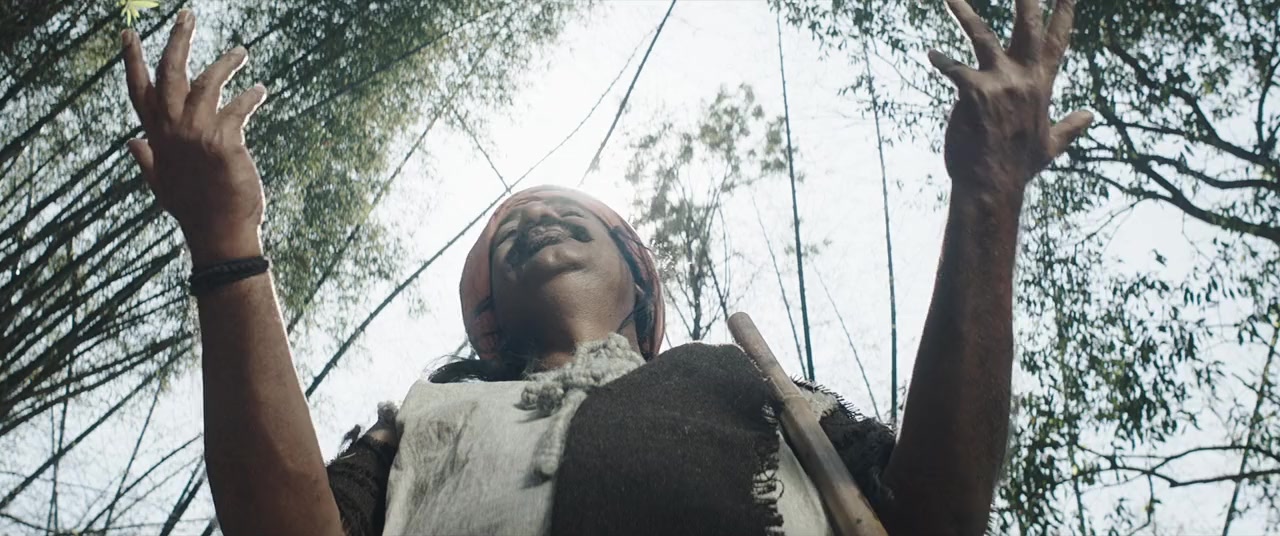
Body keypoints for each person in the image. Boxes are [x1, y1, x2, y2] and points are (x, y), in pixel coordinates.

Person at [120, 0, 1093, 533]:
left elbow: (935, 514)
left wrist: (987, 198)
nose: (537, 219)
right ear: (487, 318)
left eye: (568, 213)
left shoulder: (747, 380)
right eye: (509, 230)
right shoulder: (425, 416)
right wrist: (226, 241)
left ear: (640, 278)